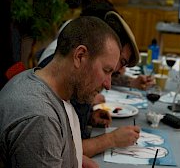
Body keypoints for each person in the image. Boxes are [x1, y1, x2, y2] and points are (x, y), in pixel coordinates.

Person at [0, 16, 155, 168]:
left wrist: (71, 158)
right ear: (80, 56)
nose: (108, 84)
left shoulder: (38, 80)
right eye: (106, 70)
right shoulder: (39, 116)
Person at [38, 9, 155, 157]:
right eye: (108, 69)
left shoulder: (74, 77)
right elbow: (63, 153)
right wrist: (111, 139)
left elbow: (63, 139)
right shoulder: (57, 90)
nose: (109, 84)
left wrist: (89, 117)